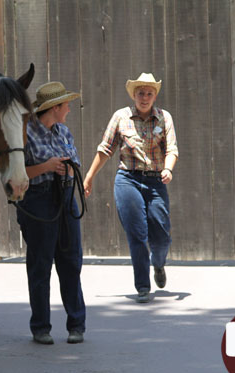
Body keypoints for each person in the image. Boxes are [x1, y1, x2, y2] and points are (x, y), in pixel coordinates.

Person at [83, 73, 178, 303]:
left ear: (155, 96)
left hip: (156, 180)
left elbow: (172, 149)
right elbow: (105, 149)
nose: (144, 97)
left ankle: (158, 263)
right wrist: (89, 176)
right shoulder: (121, 117)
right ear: (133, 95)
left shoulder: (164, 118)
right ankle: (143, 286)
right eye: (140, 93)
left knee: (162, 234)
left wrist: (168, 169)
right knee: (137, 234)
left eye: (149, 93)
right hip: (128, 179)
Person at [16, 81, 86, 344]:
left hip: (65, 196)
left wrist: (67, 169)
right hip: (38, 199)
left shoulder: (63, 132)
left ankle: (76, 324)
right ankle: (41, 327)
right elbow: (18, 172)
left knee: (71, 261)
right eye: (65, 104)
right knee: (40, 263)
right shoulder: (25, 134)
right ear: (54, 108)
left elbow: (75, 163)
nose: (69, 108)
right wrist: (47, 166)